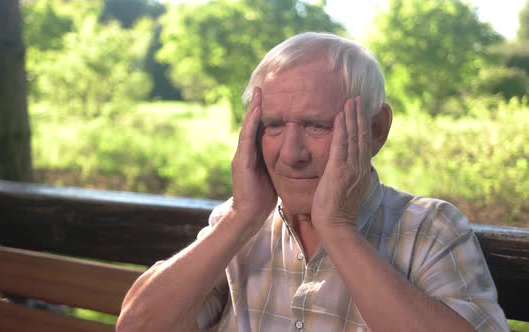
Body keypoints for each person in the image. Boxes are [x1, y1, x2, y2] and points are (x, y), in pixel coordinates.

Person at [116, 32, 508, 332]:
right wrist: (240, 216)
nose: (291, 153)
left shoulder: (428, 229)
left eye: (317, 125)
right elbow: (136, 326)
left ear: (375, 131)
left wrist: (337, 229)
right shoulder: (239, 228)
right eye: (272, 125)